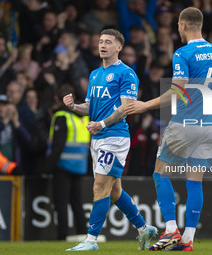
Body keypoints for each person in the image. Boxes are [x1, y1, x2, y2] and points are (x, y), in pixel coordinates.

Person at [126, 7, 212, 251]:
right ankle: (187, 239)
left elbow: (177, 91)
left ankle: (172, 228)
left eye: (178, 25)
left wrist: (145, 105)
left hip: (185, 124)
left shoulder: (183, 53)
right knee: (195, 182)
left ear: (183, 25)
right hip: (209, 127)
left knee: (160, 173)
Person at [63, 29, 157, 251]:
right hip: (98, 137)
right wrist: (74, 106)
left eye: (108, 42)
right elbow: (91, 107)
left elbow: (126, 108)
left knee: (100, 186)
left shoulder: (126, 73)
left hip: (114, 137)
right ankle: (144, 230)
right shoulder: (95, 74)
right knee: (114, 191)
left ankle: (91, 240)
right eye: (100, 41)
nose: (102, 45)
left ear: (119, 47)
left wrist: (102, 124)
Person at [44, 85, 89, 240]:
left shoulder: (62, 116)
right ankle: (83, 233)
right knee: (77, 202)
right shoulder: (83, 117)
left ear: (57, 99)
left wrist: (47, 168)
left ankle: (62, 236)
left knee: (61, 202)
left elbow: (57, 146)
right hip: (80, 165)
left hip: (63, 166)